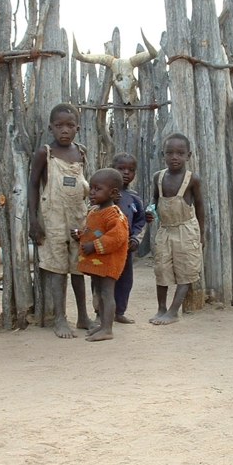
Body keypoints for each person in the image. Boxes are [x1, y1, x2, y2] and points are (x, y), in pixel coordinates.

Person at [28, 103, 95, 338]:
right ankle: (60, 318)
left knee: (78, 267)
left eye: (69, 125)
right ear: (51, 128)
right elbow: (33, 185)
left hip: (78, 217)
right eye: (59, 126)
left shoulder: (81, 153)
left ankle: (83, 316)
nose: (64, 130)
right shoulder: (45, 153)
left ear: (78, 128)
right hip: (53, 219)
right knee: (57, 269)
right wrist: (33, 220)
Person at [145, 133, 205, 325]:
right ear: (163, 154)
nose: (174, 157)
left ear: (189, 155)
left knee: (186, 271)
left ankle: (173, 311)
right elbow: (155, 200)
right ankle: (161, 308)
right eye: (169, 153)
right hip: (165, 230)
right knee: (161, 269)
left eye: (180, 153)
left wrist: (202, 234)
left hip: (186, 230)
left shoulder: (192, 179)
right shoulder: (159, 177)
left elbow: (200, 206)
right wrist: (151, 211)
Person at [72, 168, 130, 342]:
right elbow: (92, 231)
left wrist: (94, 245)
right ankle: (103, 324)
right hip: (97, 262)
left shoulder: (115, 215)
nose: (92, 192)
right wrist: (80, 235)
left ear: (112, 192)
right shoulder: (94, 211)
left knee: (106, 293)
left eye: (98, 189)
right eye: (91, 188)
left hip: (109, 262)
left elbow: (117, 237)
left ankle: (107, 329)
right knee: (99, 292)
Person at [111, 152, 147, 323]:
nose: (126, 173)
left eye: (131, 170)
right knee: (103, 281)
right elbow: (94, 214)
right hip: (105, 248)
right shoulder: (103, 192)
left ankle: (119, 312)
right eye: (121, 168)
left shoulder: (134, 198)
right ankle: (100, 313)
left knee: (125, 281)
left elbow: (141, 221)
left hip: (125, 249)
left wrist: (135, 239)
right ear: (112, 169)